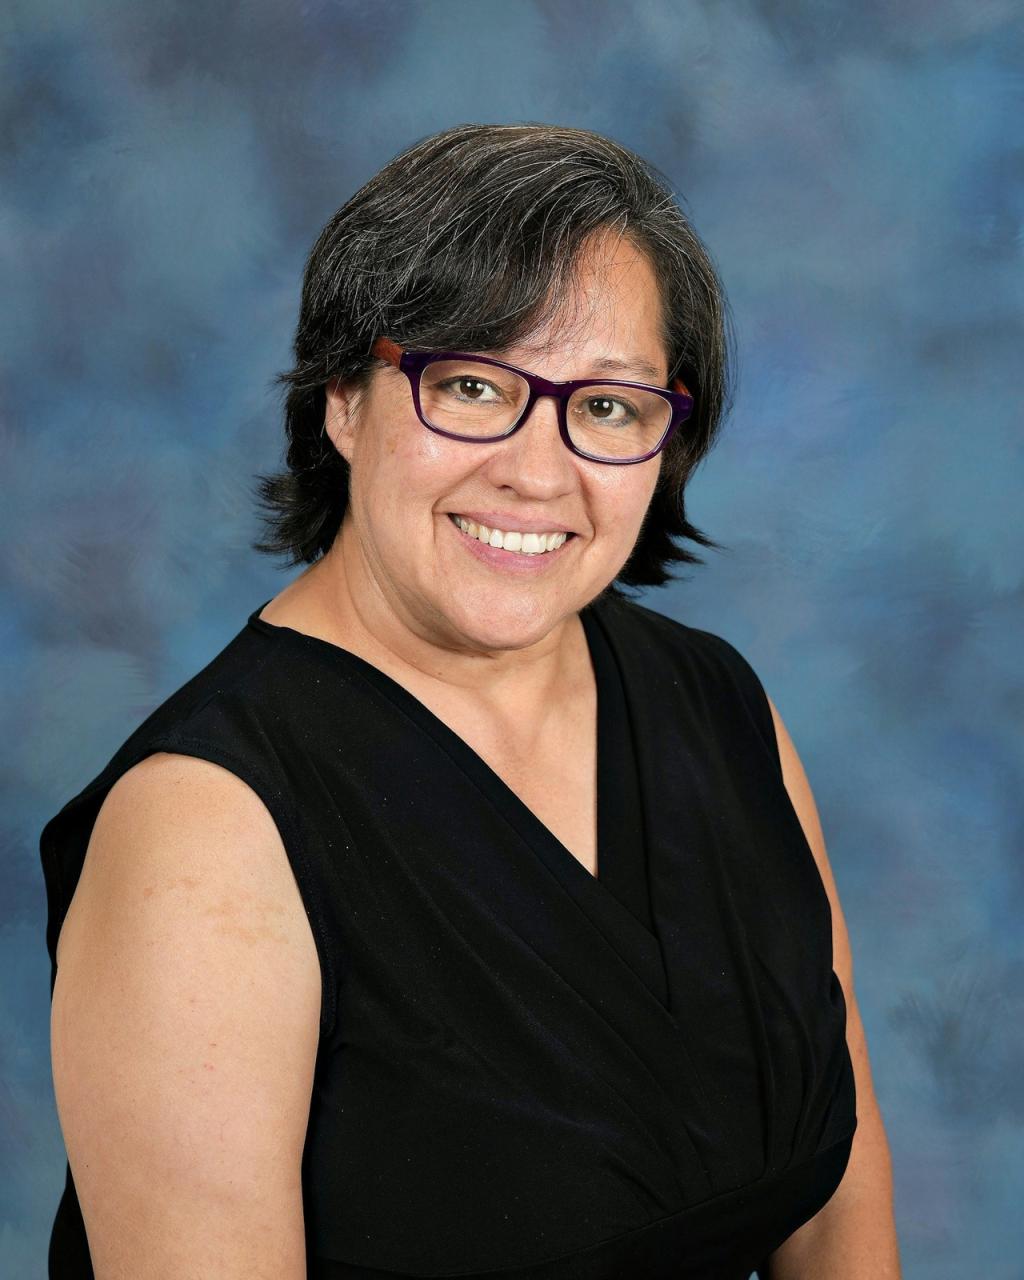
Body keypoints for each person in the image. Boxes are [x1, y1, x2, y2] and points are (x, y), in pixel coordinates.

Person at [40, 123, 900, 1278]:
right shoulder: (202, 830)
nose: (536, 471)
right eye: (472, 384)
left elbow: (837, 1180)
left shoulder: (719, 710)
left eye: (605, 406)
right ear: (343, 399)